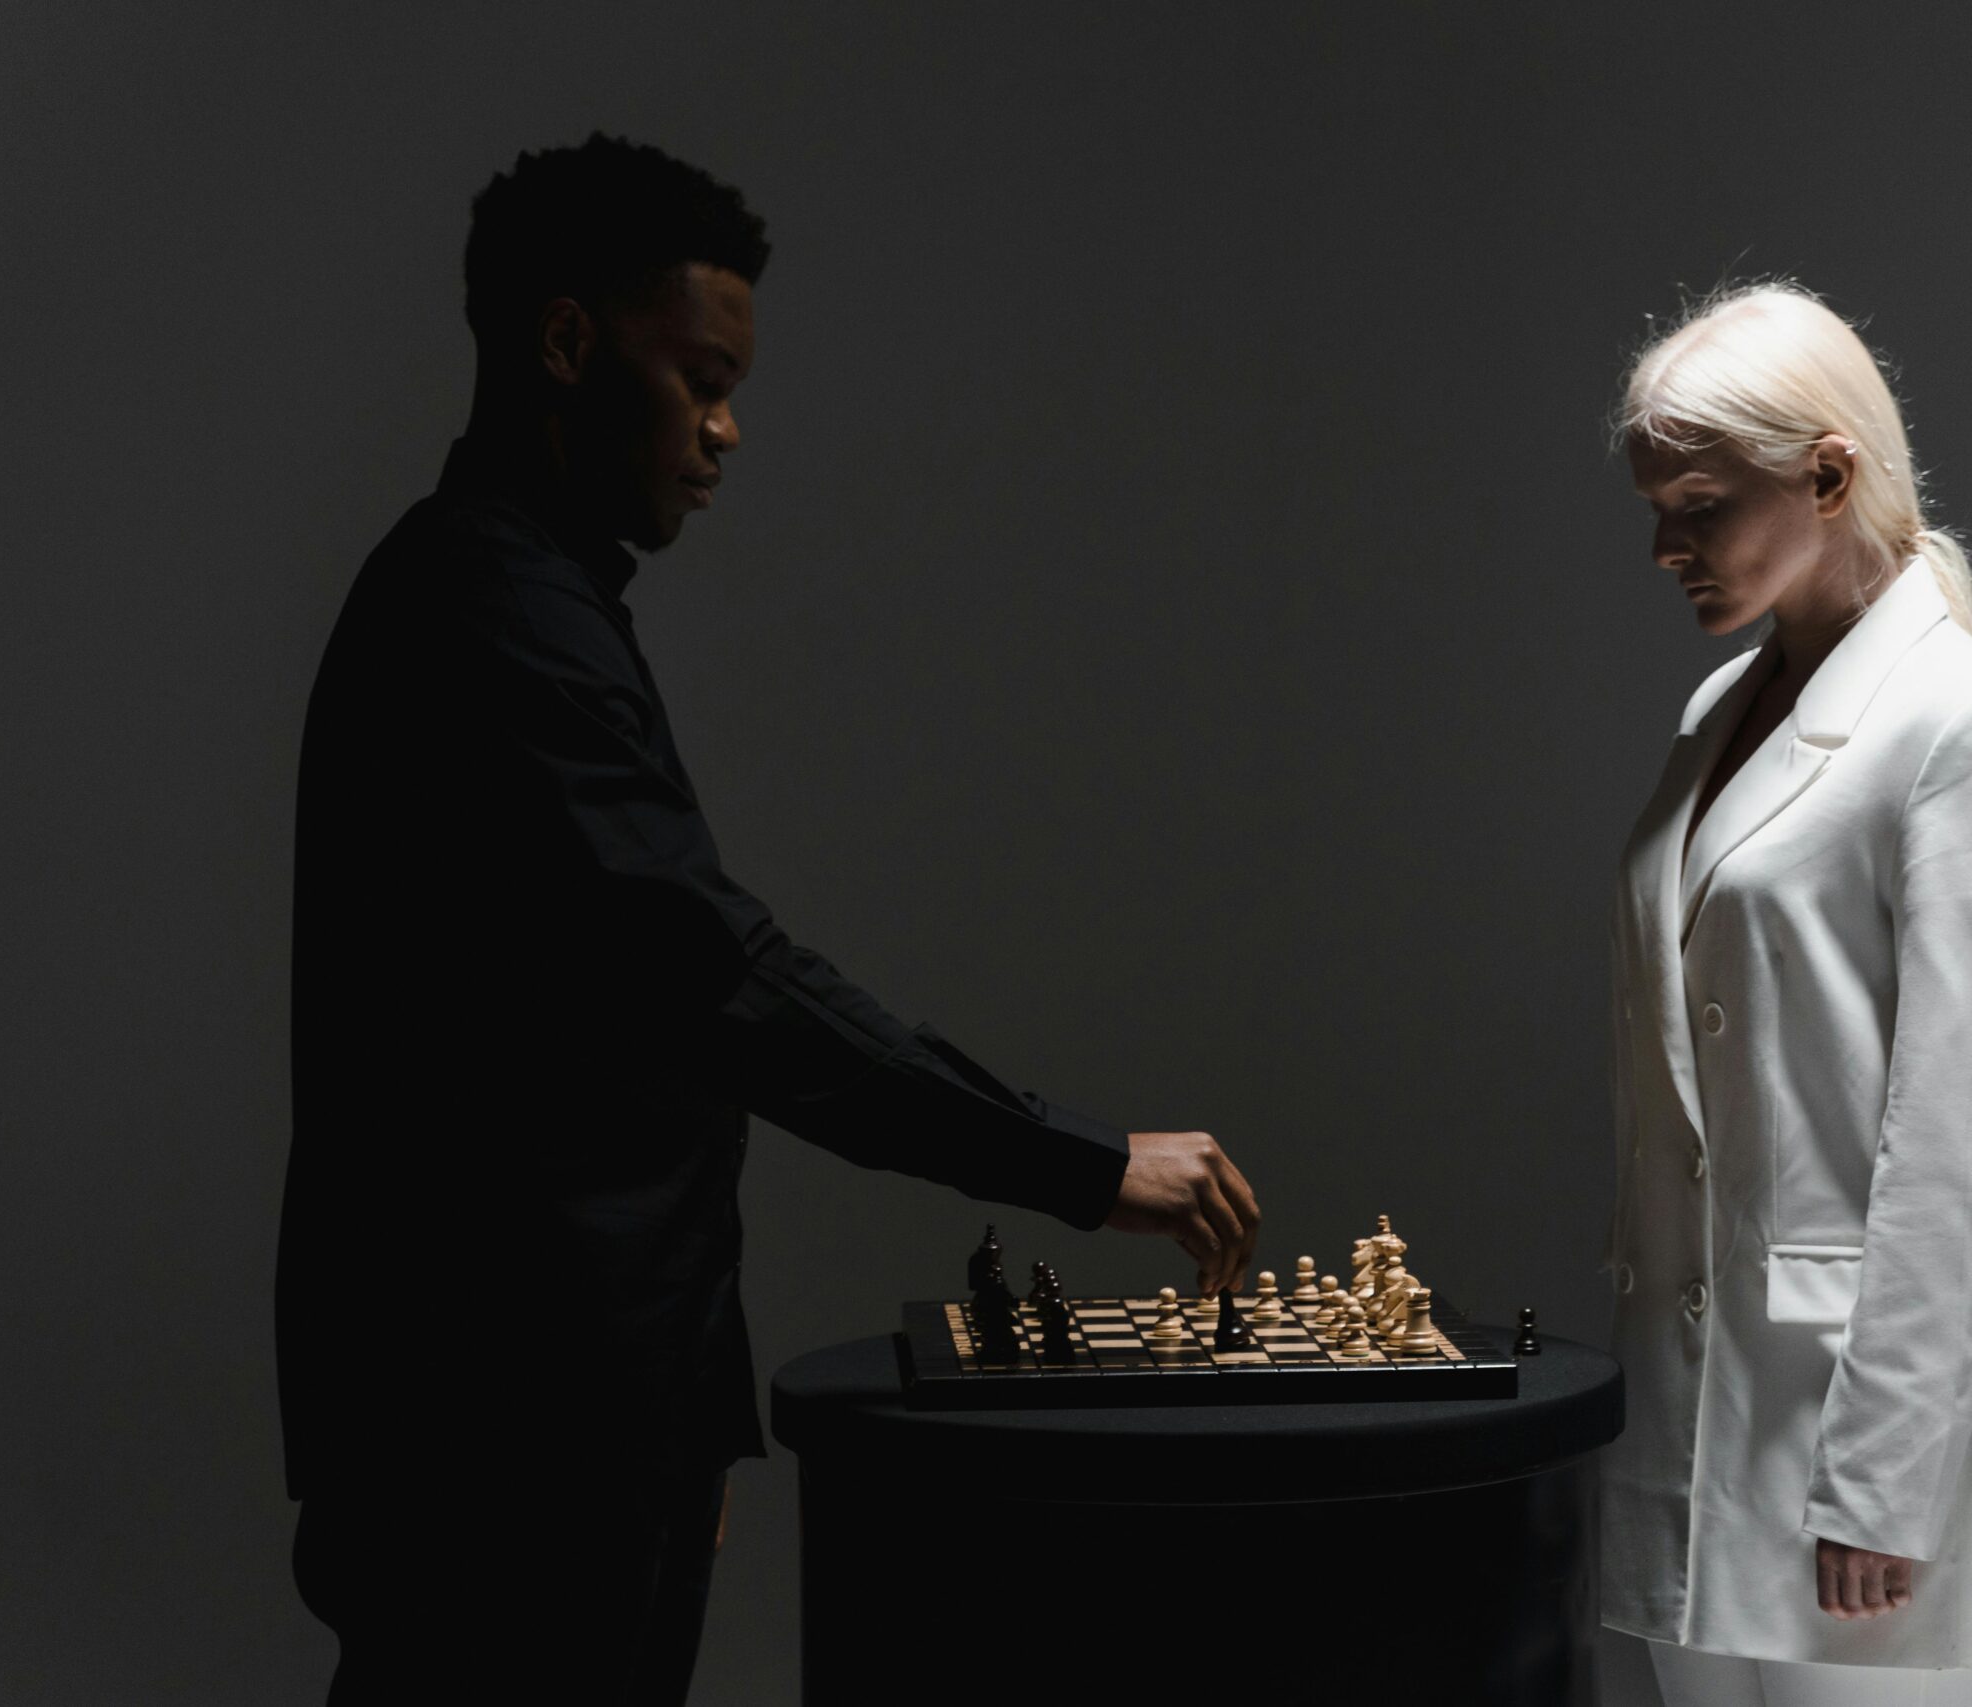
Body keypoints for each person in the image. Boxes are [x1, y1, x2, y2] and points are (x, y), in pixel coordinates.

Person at [276, 132, 1262, 1705]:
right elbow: (718, 980)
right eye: (701, 379)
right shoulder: (495, 616)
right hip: (503, 1445)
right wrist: (1080, 1164)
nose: (728, 431)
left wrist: (683, 1425)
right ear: (567, 343)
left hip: (565, 1429)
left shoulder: (526, 599)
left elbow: (618, 1051)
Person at [1596, 283, 1972, 1706]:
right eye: (1656, 509)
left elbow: (1965, 1139)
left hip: (1864, 1429)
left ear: (1828, 470)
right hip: (1703, 1398)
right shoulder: (1716, 716)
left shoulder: (1969, 731)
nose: (1664, 546)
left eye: (1696, 505)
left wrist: (1885, 1471)